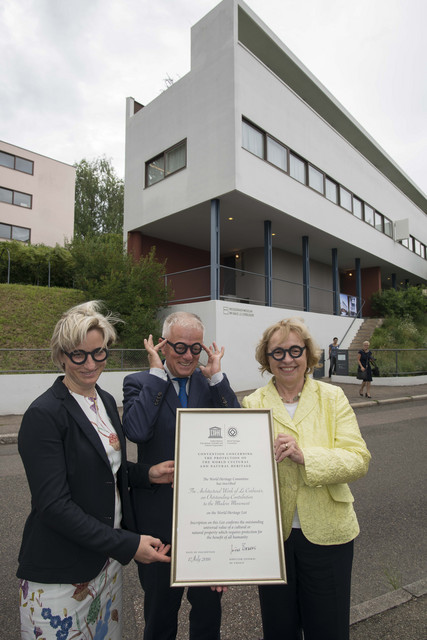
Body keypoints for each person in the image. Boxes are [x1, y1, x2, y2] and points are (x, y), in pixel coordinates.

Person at [17, 301, 173, 640]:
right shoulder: (44, 415)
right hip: (62, 573)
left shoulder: (101, 399)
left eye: (99, 353)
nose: (90, 364)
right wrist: (128, 544)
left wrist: (147, 474)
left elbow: (104, 470)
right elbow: (54, 506)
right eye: (79, 355)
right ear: (61, 356)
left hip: (105, 565)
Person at [241, 318, 371, 640]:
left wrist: (305, 456)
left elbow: (358, 459)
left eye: (295, 350)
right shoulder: (252, 403)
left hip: (329, 535)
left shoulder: (333, 397)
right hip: (274, 537)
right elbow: (242, 470)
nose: (287, 359)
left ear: (308, 355)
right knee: (279, 629)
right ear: (266, 359)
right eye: (278, 352)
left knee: (328, 628)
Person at [122, 311, 240, 640]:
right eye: (179, 346)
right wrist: (158, 376)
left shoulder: (210, 383)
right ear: (163, 345)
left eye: (195, 348)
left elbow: (241, 435)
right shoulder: (140, 382)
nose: (188, 355)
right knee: (159, 617)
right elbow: (137, 430)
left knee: (207, 617)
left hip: (208, 524)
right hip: (159, 525)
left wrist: (217, 379)